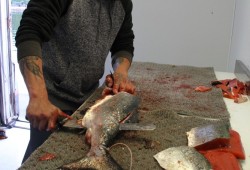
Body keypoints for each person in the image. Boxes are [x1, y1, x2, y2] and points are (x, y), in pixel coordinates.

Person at [15, 0, 136, 163]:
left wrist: (120, 72)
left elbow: (124, 44)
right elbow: (30, 33)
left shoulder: (123, 3)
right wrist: (38, 96)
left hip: (87, 101)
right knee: (42, 161)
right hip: (50, 105)